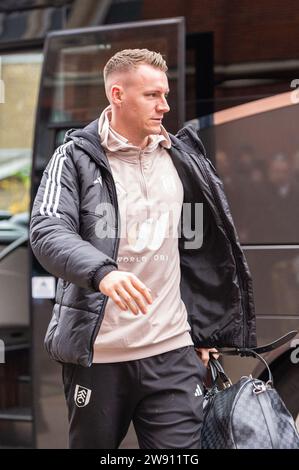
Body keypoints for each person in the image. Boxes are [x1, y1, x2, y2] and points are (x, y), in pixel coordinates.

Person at [29, 49, 256, 449]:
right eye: (152, 95)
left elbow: (199, 251)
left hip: (172, 352)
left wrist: (203, 329)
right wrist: (104, 272)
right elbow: (48, 231)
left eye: (165, 95)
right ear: (117, 94)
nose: (165, 106)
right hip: (98, 357)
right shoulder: (74, 158)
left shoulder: (183, 158)